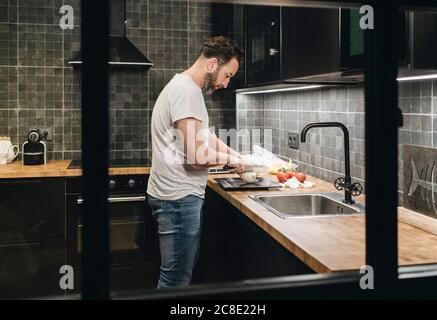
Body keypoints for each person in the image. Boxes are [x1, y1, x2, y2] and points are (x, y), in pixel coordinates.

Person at [147, 36, 245, 288]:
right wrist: (228, 160)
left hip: (175, 196)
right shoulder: (187, 91)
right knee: (175, 279)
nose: (226, 83)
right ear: (212, 64)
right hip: (178, 199)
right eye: (228, 75)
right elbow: (197, 156)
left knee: (178, 273)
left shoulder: (184, 87)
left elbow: (205, 137)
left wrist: (236, 156)